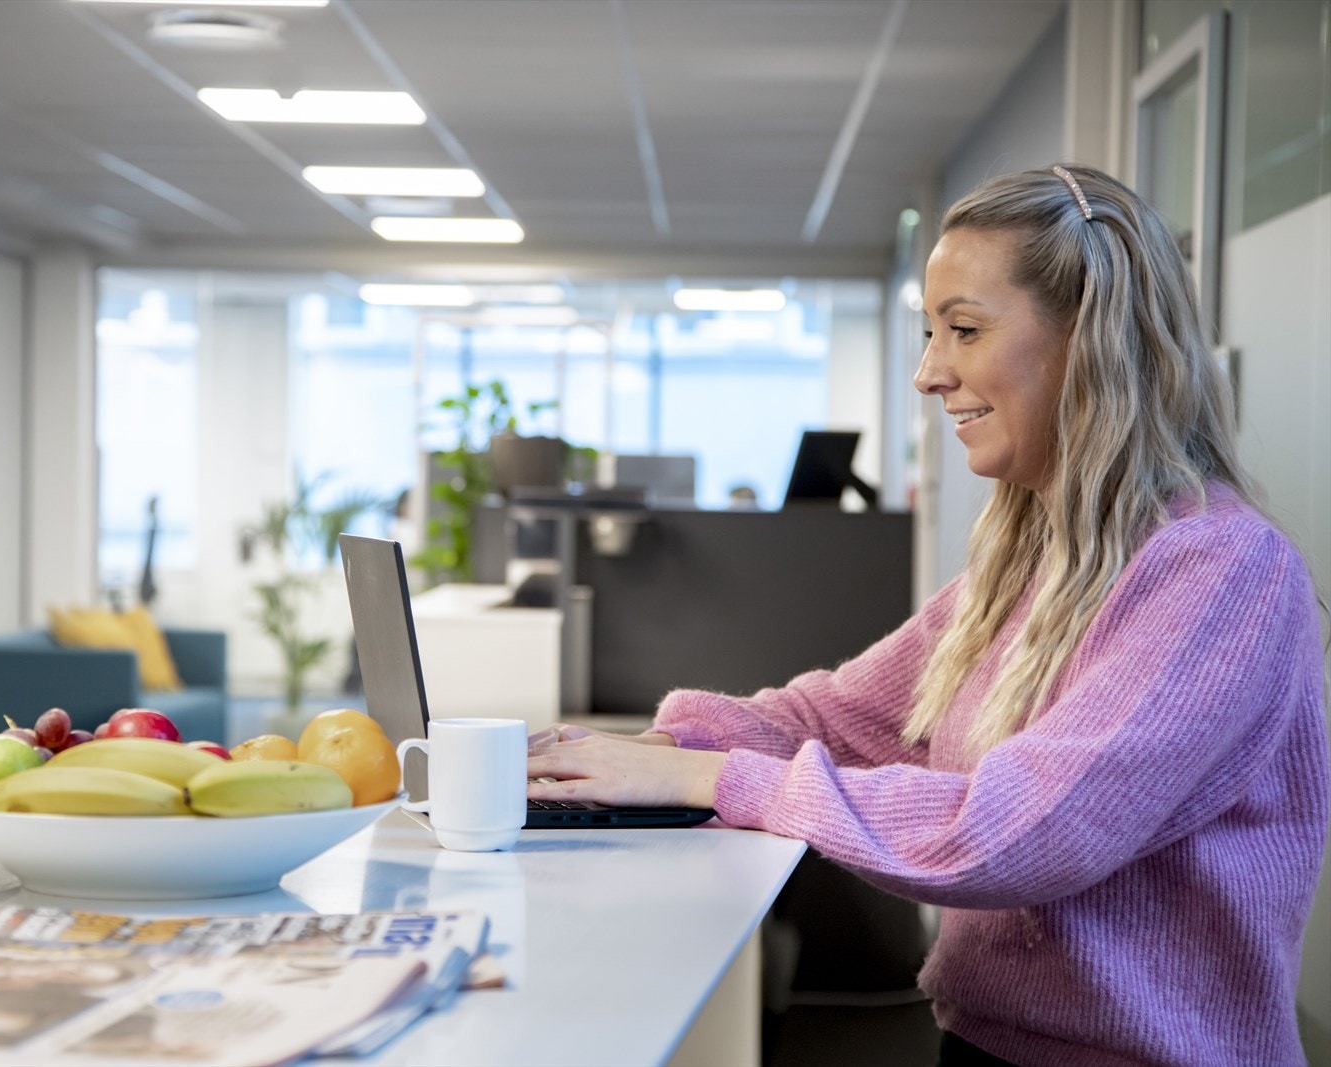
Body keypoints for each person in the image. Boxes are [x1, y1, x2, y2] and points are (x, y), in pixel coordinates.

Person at [527, 164, 1328, 1066]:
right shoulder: (1037, 561)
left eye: (965, 330)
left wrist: (715, 781)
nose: (928, 373)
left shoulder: (1221, 573)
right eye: (928, 332)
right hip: (986, 1045)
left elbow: (1018, 835)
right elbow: (837, 718)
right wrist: (650, 753)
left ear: (1091, 340)